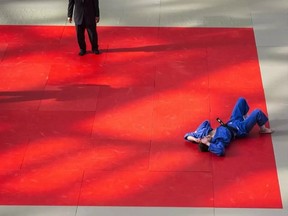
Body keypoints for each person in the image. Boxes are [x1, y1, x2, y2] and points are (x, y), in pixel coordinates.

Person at [184, 97, 273, 156]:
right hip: (240, 129)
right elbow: (220, 151)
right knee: (257, 112)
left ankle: (246, 117)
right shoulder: (218, 141)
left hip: (232, 121)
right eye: (205, 140)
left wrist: (196, 138)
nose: (205, 137)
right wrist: (208, 143)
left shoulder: (205, 134)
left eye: (204, 138)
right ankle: (263, 129)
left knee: (241, 100)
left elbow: (187, 135)